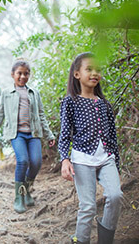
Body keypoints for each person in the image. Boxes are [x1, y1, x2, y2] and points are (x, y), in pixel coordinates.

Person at [58, 52, 123, 244]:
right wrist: (65, 159)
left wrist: (116, 165)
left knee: (115, 195)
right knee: (88, 206)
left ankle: (105, 240)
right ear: (77, 74)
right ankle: (81, 240)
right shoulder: (71, 101)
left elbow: (112, 137)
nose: (95, 73)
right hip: (82, 159)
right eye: (89, 69)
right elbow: (65, 133)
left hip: (107, 158)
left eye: (98, 70)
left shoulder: (104, 104)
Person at [0, 59, 55, 214]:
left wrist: (49, 134)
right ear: (13, 74)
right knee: (23, 161)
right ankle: (19, 197)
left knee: (36, 162)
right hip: (16, 134)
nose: (23, 76)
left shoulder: (34, 93)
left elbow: (41, 115)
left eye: (26, 73)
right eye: (19, 73)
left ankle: (26, 190)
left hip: (33, 134)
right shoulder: (6, 93)